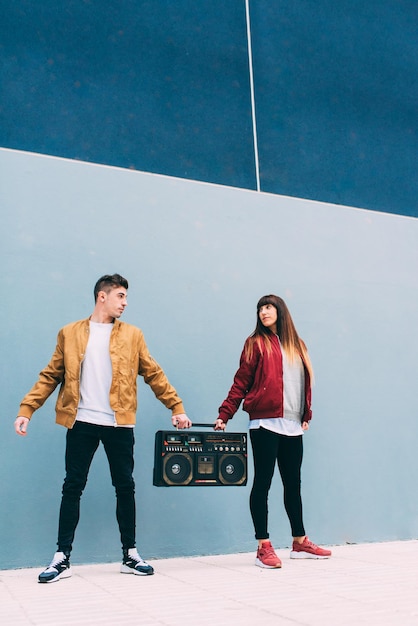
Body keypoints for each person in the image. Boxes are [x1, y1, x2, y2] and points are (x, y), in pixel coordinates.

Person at [14, 273, 191, 583]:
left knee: (125, 487)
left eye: (125, 298)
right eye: (120, 296)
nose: (125, 303)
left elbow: (154, 374)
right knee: (72, 487)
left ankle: (130, 554)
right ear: (102, 296)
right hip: (80, 421)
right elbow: (50, 375)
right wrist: (27, 409)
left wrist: (175, 407)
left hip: (118, 423)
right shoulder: (69, 334)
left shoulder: (133, 335)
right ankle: (62, 557)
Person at [214, 294, 331, 569]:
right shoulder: (255, 343)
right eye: (260, 308)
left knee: (294, 485)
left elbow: (305, 383)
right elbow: (241, 380)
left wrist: (306, 414)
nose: (263, 312)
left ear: (280, 311)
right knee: (263, 483)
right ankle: (263, 546)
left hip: (292, 425)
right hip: (265, 423)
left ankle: (299, 542)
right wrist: (225, 413)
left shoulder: (298, 346)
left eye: (268, 307)